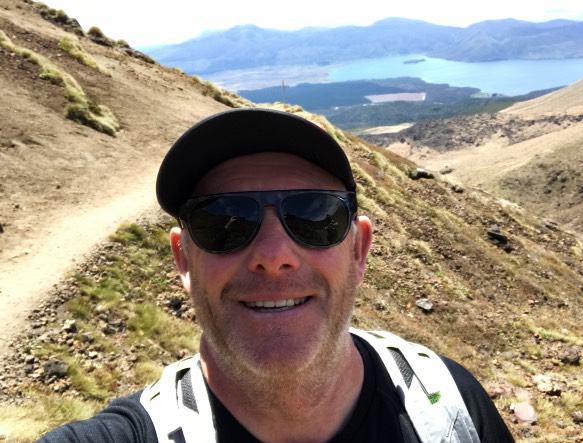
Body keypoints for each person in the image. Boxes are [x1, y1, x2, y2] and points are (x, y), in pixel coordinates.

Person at [38, 108, 514, 442]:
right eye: (224, 221)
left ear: (359, 249)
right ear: (184, 260)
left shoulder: (451, 408)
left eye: (314, 216)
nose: (273, 255)